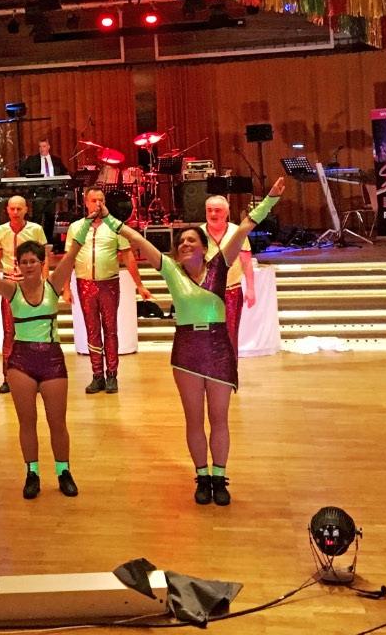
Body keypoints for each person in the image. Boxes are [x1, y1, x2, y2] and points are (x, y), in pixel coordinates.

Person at [89, 178, 285, 506]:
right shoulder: (171, 270)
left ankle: (220, 476)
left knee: (219, 418)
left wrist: (271, 199)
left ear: (205, 247)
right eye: (181, 241)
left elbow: (244, 228)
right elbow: (137, 239)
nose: (185, 244)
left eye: (192, 239)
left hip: (218, 347)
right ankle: (202, 476)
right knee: (194, 419)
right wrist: (109, 219)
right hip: (187, 348)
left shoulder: (220, 265)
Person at [0, 223, 87, 500]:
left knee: (57, 423)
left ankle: (64, 471)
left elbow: (72, 254)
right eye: (24, 262)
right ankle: (32, 473)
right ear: (17, 265)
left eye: (33, 261)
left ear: (42, 263)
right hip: (21, 363)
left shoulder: (53, 286)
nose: (28, 266)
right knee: (26, 423)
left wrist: (90, 221)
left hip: (52, 361)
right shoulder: (12, 290)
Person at [73, 188, 154, 395]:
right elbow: (69, 257)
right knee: (92, 330)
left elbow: (128, 256)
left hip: (108, 284)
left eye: (101, 200)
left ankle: (111, 375)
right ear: (86, 202)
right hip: (85, 283)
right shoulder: (76, 227)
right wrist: (64, 287)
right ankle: (96, 375)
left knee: (110, 330)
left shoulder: (115, 226)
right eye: (94, 200)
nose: (97, 204)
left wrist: (139, 284)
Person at [0, 196, 48, 394]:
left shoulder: (35, 230)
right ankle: (8, 377)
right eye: (12, 209)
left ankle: (36, 376)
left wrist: (45, 284)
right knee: (9, 333)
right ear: (7, 210)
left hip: (30, 284)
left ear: (26, 210)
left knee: (34, 331)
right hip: (9, 284)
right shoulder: (1, 231)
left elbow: (44, 260)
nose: (15, 212)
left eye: (19, 209)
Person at [202, 195, 255, 354]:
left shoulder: (237, 232)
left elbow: (246, 261)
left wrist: (251, 289)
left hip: (231, 292)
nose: (213, 214)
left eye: (217, 210)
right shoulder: (198, 233)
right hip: (205, 293)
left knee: (230, 336)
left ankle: (229, 368)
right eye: (209, 210)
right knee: (206, 335)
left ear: (226, 213)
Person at [18, 139, 68, 242]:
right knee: (37, 218)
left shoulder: (56, 160)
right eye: (40, 147)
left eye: (44, 146)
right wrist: (31, 182)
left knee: (50, 218)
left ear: (48, 147)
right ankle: (35, 242)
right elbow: (22, 170)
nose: (42, 149)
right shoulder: (33, 159)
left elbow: (64, 171)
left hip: (52, 192)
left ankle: (48, 241)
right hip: (39, 192)